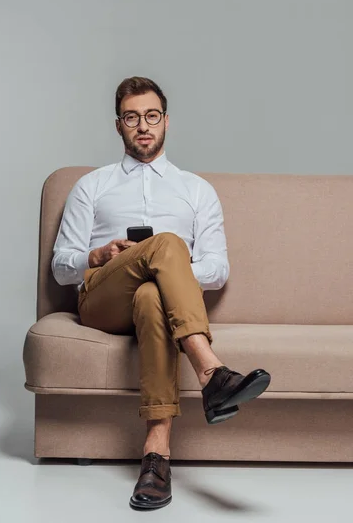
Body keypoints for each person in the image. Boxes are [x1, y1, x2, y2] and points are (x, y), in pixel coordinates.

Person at [51, 76, 271, 510]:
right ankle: (211, 370)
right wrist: (98, 255)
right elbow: (61, 267)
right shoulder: (92, 186)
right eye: (132, 118)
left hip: (155, 304)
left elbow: (217, 270)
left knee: (154, 292)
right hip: (102, 300)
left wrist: (165, 265)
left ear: (166, 121)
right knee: (167, 244)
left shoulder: (196, 190)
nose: (143, 126)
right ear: (119, 126)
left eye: (151, 116)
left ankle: (156, 458)